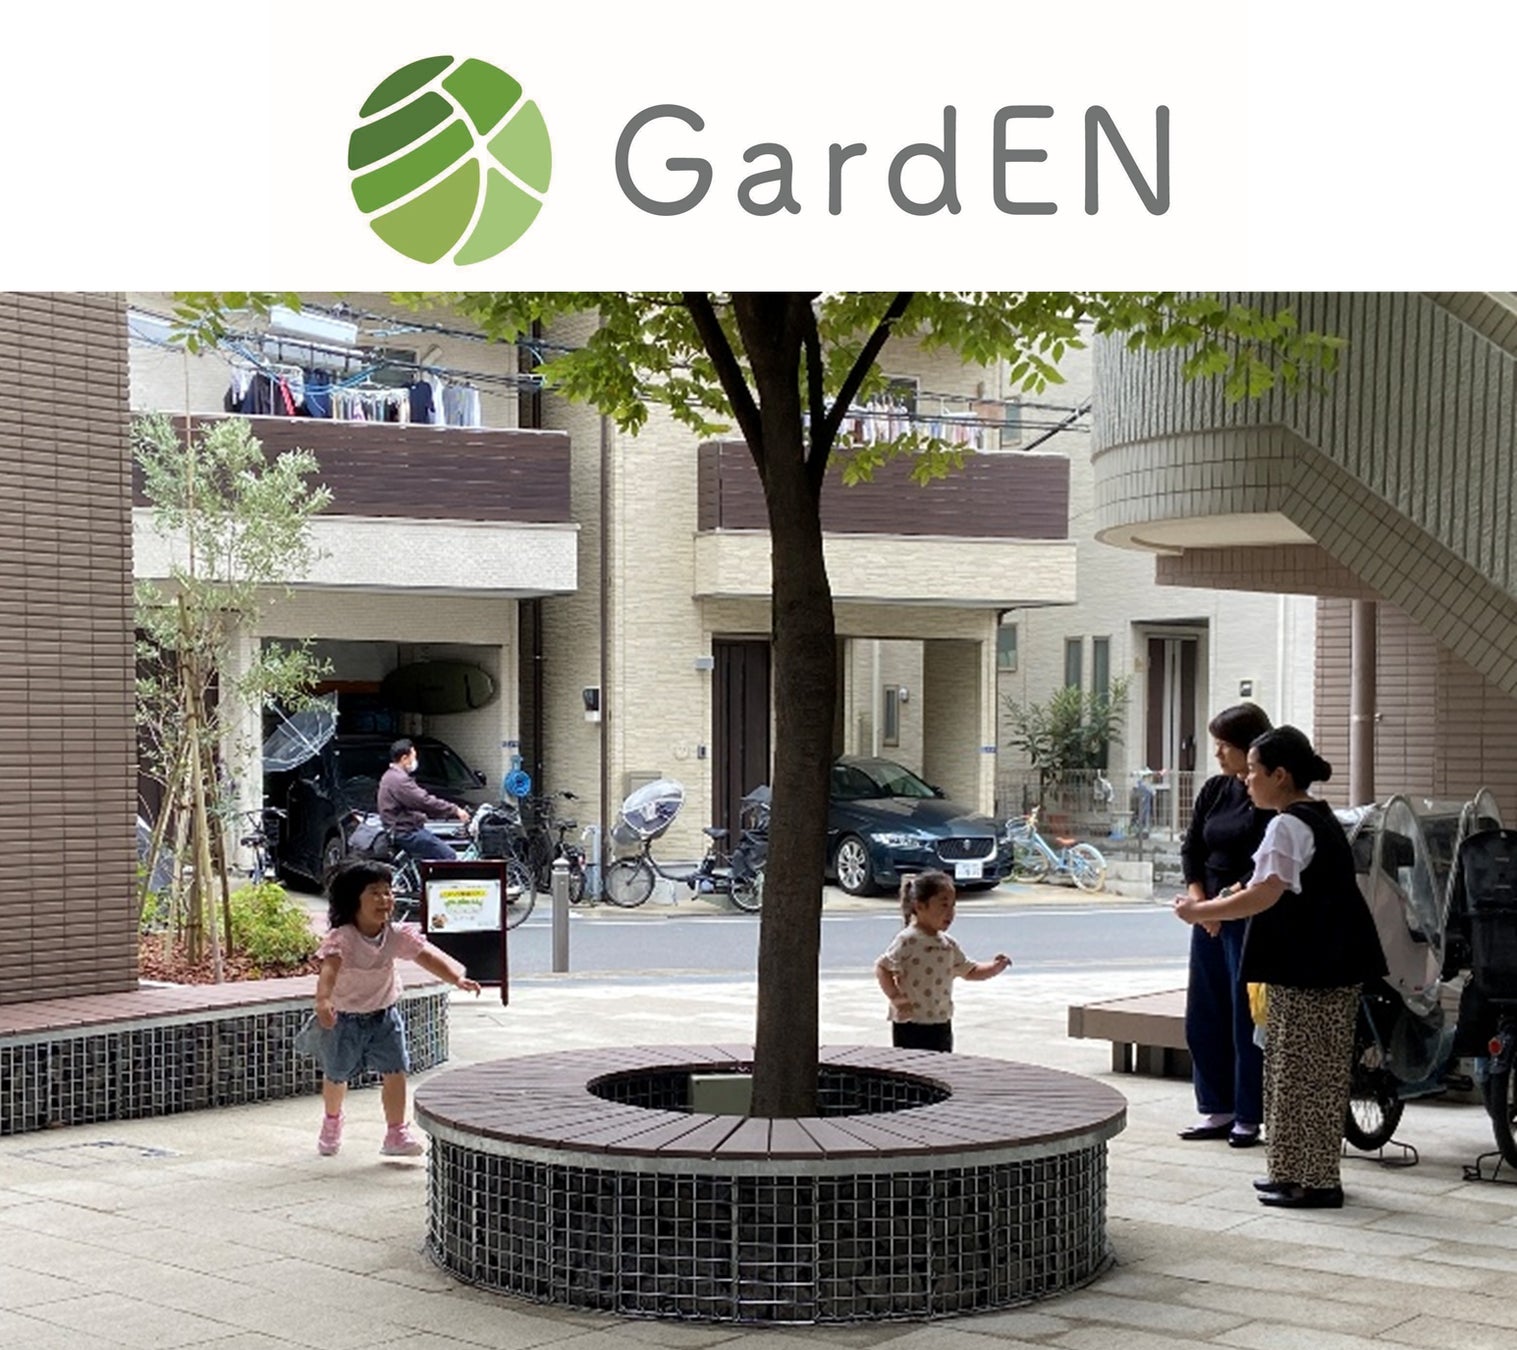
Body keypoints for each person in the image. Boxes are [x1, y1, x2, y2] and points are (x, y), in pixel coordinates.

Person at [1173, 727, 1386, 1209]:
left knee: (1306, 1075)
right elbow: (1265, 884)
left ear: (1280, 775)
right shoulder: (1313, 816)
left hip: (1313, 968)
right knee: (1295, 1071)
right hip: (1319, 965)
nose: (1245, 780)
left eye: (1253, 771)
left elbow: (1263, 893)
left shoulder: (1288, 824)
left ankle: (1315, 1182)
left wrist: (1199, 911)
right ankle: (1291, 1173)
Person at [312, 858, 481, 1156]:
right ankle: (332, 1120)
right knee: (336, 1075)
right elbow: (329, 971)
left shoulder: (396, 935)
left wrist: (456, 978)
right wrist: (323, 1000)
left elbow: (426, 957)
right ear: (354, 900)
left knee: (395, 1071)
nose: (385, 899)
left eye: (388, 892)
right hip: (344, 1019)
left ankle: (396, 1132)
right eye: (374, 893)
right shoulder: (343, 938)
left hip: (384, 1016)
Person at [1177, 703, 1275, 1149]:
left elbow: (1261, 863)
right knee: (1204, 1011)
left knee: (1244, 1015)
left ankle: (1248, 1114)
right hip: (1208, 916)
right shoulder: (1215, 789)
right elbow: (1192, 848)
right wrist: (1201, 904)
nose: (1217, 753)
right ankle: (1216, 1107)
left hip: (1246, 915)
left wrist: (1220, 906)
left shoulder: (1265, 795)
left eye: (1225, 745)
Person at [875, 869, 1011, 1052]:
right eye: (943, 905)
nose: (950, 913)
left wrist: (995, 967)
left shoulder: (948, 944)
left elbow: (970, 971)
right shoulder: (908, 939)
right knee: (911, 1066)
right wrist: (896, 998)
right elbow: (883, 967)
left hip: (941, 1020)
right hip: (910, 1021)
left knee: (941, 1064)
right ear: (920, 906)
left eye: (953, 906)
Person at [378, 738, 470, 861]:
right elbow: (423, 801)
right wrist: (454, 810)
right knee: (448, 856)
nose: (415, 761)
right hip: (406, 832)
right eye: (413, 756)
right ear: (404, 758)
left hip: (401, 830)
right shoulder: (399, 780)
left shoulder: (391, 776)